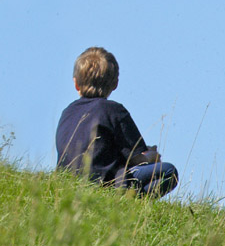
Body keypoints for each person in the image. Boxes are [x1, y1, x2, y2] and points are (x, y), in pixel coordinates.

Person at [55, 47, 179, 197]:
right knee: (169, 172)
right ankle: (132, 204)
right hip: (106, 184)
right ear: (115, 83)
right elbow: (137, 160)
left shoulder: (67, 112)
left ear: (76, 83)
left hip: (67, 184)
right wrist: (151, 156)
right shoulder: (113, 111)